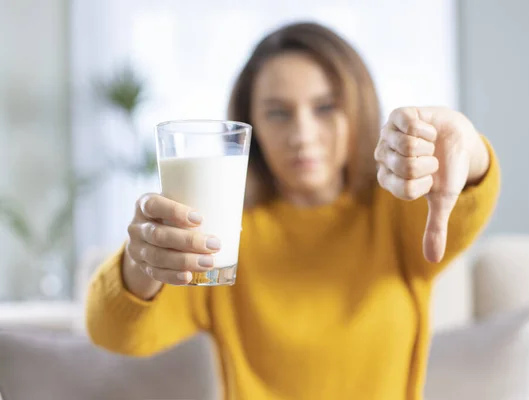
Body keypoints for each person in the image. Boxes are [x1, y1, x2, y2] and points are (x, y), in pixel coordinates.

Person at [86, 22, 499, 400]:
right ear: (252, 127)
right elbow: (115, 334)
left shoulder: (396, 213)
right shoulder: (220, 235)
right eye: (278, 113)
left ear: (358, 107)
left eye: (324, 108)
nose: (302, 135)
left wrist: (467, 145)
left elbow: (467, 194)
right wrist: (141, 262)